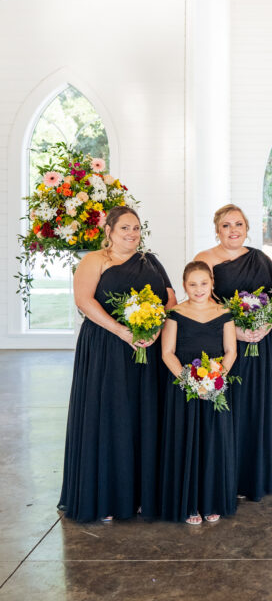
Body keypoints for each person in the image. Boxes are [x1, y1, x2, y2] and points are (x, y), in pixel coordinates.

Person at [59, 206, 176, 522]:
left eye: (136, 228)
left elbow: (169, 298)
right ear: (108, 230)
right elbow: (84, 301)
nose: (132, 234)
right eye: (125, 228)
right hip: (107, 348)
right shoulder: (94, 260)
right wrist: (123, 331)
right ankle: (107, 497)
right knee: (111, 415)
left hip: (147, 348)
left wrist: (153, 327)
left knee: (144, 415)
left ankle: (141, 495)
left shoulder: (150, 261)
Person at [194, 204, 272, 501]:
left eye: (239, 224)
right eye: (226, 225)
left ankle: (257, 477)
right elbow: (201, 302)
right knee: (230, 408)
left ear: (247, 228)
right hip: (225, 344)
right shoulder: (205, 259)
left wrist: (266, 325)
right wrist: (237, 331)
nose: (233, 230)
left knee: (259, 406)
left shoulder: (260, 258)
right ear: (217, 230)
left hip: (263, 342)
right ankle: (227, 477)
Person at [159, 260, 238, 523]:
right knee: (186, 441)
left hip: (215, 386)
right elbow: (167, 353)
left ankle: (211, 500)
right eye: (192, 284)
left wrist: (215, 379)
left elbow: (231, 352)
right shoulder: (175, 313)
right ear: (184, 286)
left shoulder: (224, 312)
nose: (199, 289)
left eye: (204, 283)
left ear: (212, 284)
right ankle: (189, 504)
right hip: (184, 388)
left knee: (213, 442)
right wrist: (189, 380)